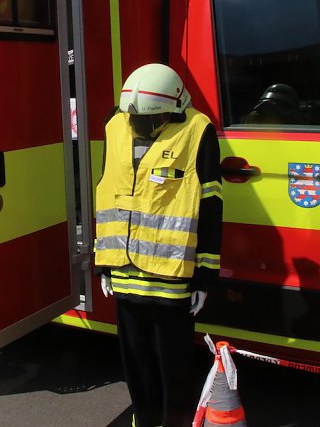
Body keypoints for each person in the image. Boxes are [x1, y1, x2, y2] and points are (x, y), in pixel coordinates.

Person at [94, 63, 223, 427]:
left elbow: (210, 207)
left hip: (171, 282)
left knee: (173, 370)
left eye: (152, 119)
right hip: (123, 276)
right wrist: (103, 264)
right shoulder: (115, 125)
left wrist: (205, 276)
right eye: (137, 120)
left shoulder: (197, 131)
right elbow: (109, 195)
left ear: (176, 106)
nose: (142, 127)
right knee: (136, 366)